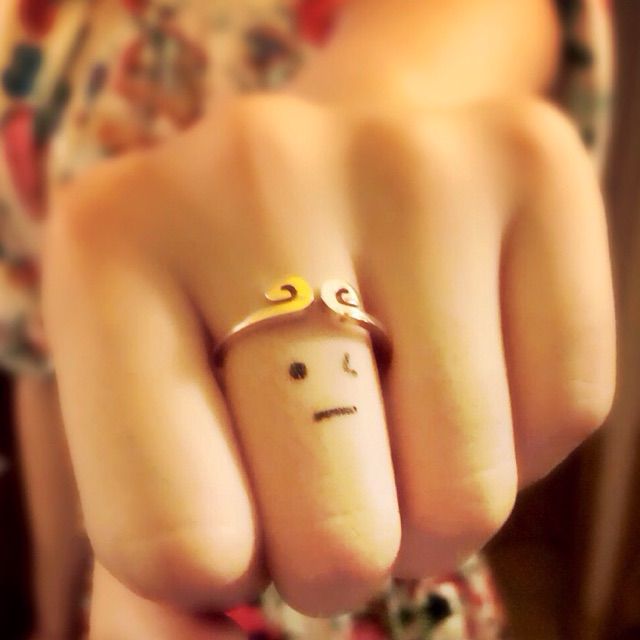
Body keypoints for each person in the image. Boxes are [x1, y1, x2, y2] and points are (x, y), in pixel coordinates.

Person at [0, 0, 615, 638]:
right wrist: (54, 608)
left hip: (398, 579)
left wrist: (375, 119)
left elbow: (477, 23)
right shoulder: (32, 45)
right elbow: (44, 371)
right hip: (136, 592)